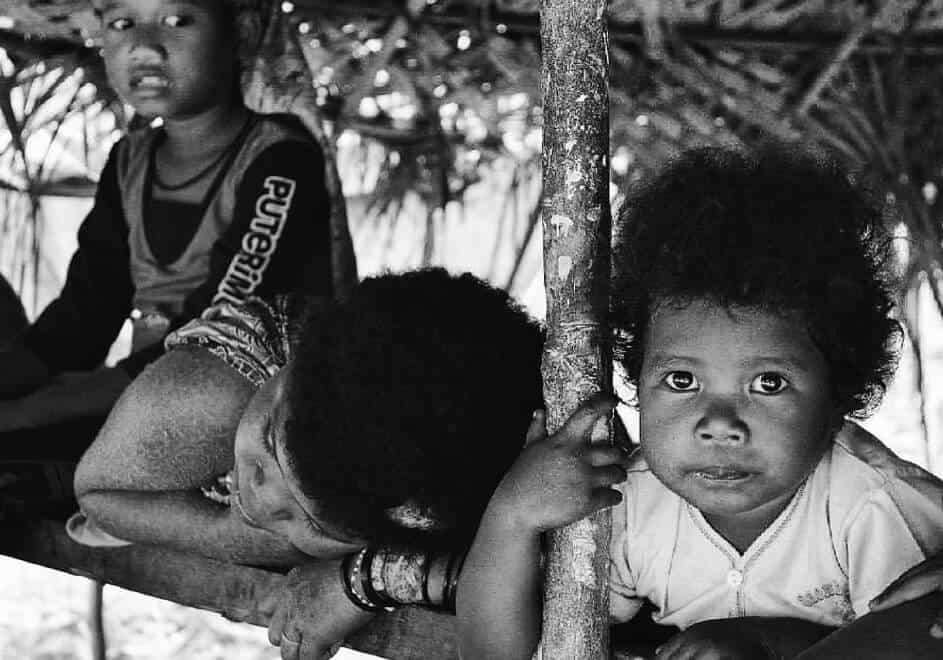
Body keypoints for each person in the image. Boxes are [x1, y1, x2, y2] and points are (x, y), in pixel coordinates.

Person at [457, 145, 943, 660]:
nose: (719, 424)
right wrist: (511, 516)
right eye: (683, 380)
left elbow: (912, 642)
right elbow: (495, 655)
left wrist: (766, 644)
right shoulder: (628, 502)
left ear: (839, 395)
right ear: (638, 380)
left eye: (768, 384)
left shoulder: (875, 508)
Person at [74, 268, 544, 659]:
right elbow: (97, 493)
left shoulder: (454, 479)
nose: (257, 498)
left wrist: (362, 578)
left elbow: (523, 566)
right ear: (289, 368)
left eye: (308, 521)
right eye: (267, 440)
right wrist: (233, 538)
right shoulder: (213, 392)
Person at [0, 0, 354, 455]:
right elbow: (85, 314)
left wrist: (28, 413)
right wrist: (19, 377)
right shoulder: (128, 161)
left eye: (177, 20)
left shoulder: (280, 160)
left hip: (250, 414)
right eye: (122, 23)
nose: (144, 47)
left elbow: (217, 336)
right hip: (148, 393)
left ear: (242, 33)